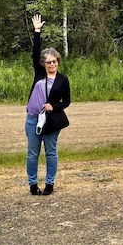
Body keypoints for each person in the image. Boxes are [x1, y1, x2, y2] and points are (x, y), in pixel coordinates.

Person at [25, 14, 71, 195]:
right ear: (43, 64)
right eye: (48, 62)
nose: (51, 64)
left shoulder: (63, 80)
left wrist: (55, 106)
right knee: (32, 153)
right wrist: (37, 32)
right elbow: (35, 53)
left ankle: (50, 184)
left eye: (54, 61)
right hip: (32, 120)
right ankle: (33, 184)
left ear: (58, 62)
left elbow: (67, 101)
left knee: (50, 152)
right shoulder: (40, 74)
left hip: (50, 122)